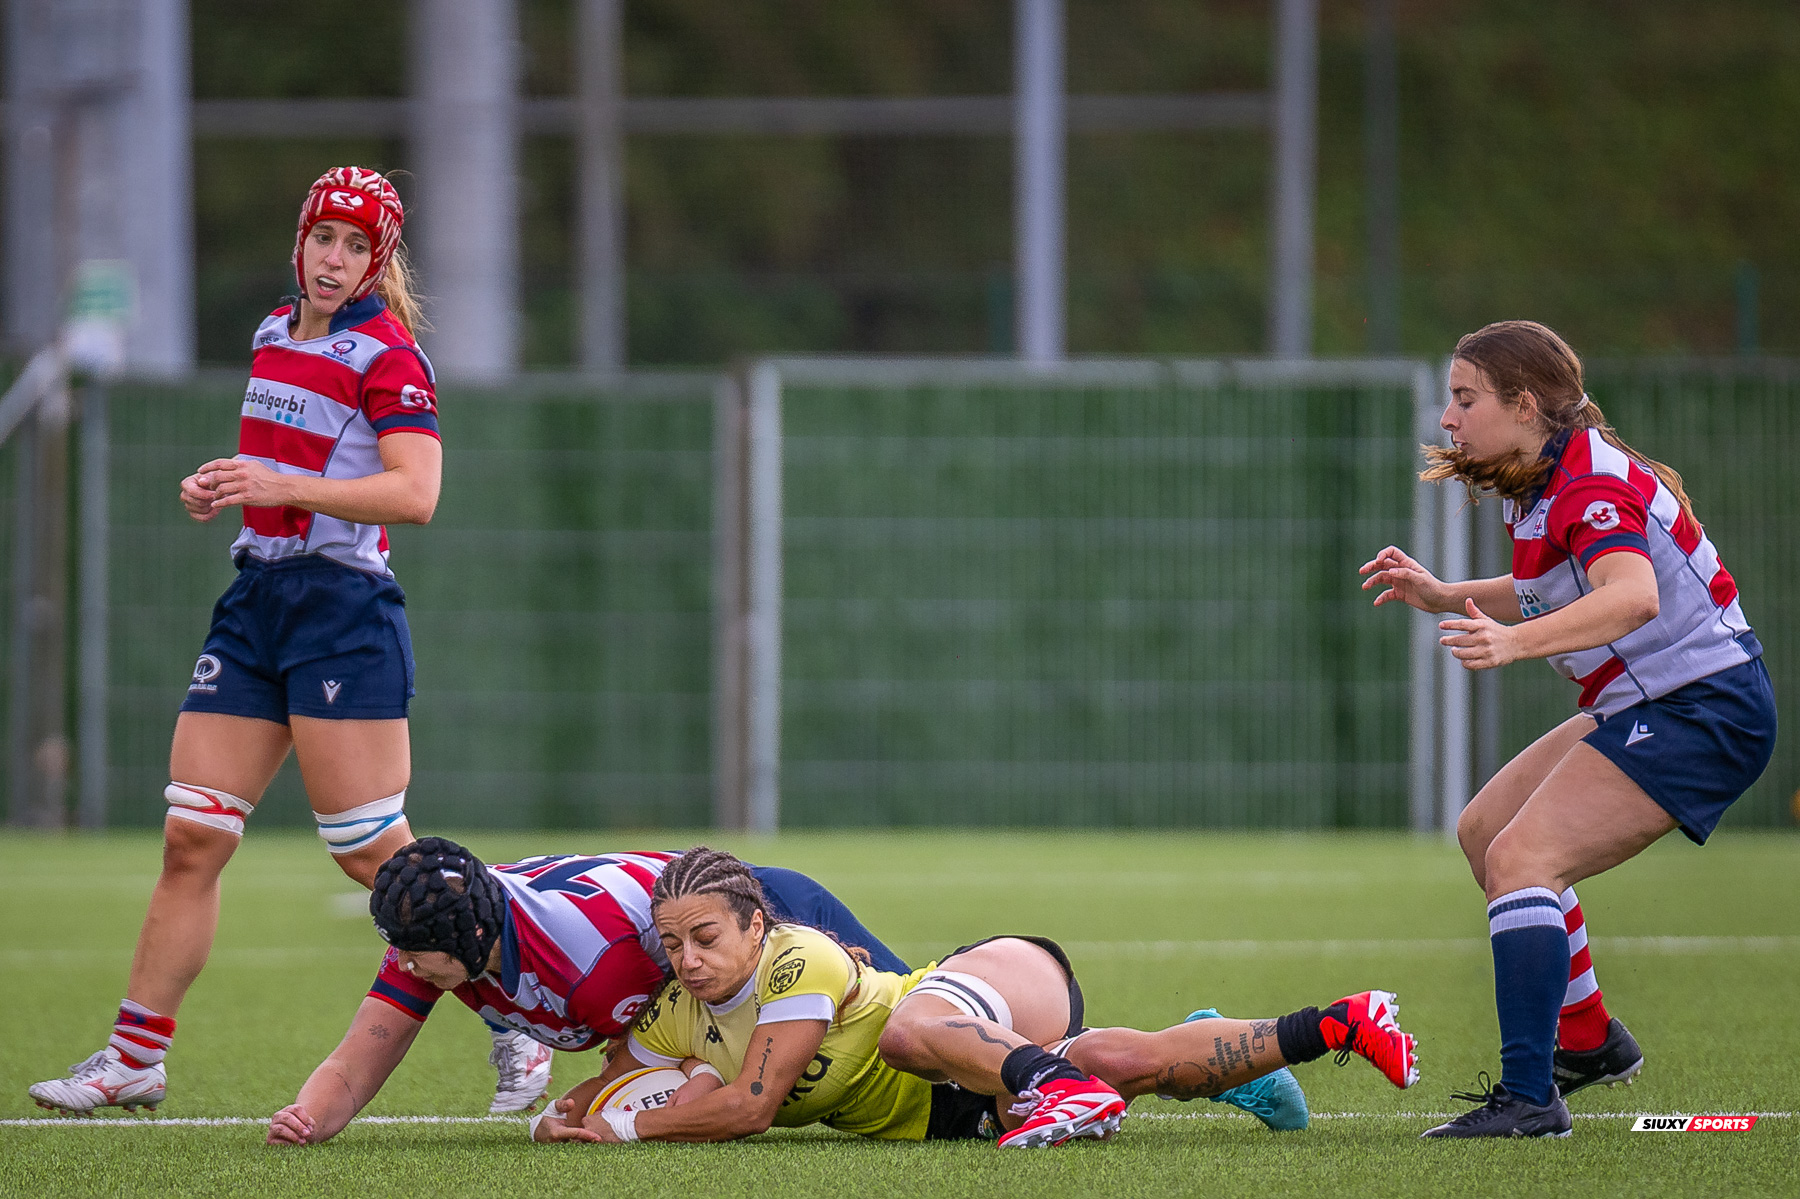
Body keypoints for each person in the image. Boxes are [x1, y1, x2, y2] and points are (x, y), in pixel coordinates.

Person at [30, 167, 444, 1117]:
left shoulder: (390, 353)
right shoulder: (270, 331)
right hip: (256, 601)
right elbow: (276, 473)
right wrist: (223, 489)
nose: (333, 259)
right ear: (299, 241)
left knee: (371, 853)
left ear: (377, 257)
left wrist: (282, 488)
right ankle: (134, 1054)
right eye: (322, 238)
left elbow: (415, 495)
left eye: (355, 244)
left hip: (343, 613)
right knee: (192, 835)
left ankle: (517, 1023)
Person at [1360, 320, 1775, 1139]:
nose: (1448, 418)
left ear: (1523, 405)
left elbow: (1633, 596)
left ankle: (1529, 1101)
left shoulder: (1586, 485)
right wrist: (1448, 595)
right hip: (1655, 700)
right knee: (1485, 831)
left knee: (1524, 857)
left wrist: (1511, 643)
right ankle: (1587, 1043)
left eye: (1464, 398)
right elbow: (1554, 588)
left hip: (1704, 707)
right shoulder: (1550, 478)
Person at [486, 847, 1416, 1150]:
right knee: (1129, 1064)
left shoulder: (796, 957)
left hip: (994, 982)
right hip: (955, 1099)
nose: (686, 960)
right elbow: (607, 1083)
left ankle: (1057, 1088)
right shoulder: (673, 1012)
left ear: (757, 927)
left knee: (902, 1027)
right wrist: (567, 1116)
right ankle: (1340, 1020)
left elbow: (751, 1105)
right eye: (672, 943)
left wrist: (631, 1129)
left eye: (707, 936)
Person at [264, 838, 913, 1145]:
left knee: (914, 1030)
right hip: (683, 941)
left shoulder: (592, 961)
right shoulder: (431, 945)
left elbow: (685, 1024)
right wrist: (308, 1117)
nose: (403, 962)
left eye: (415, 951)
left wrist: (640, 1112)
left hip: (766, 908)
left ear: (470, 934)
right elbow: (355, 1060)